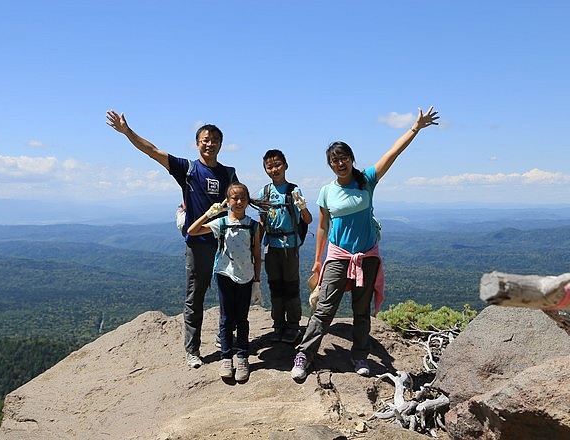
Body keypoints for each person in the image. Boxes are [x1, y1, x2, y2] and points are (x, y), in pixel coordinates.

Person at [290, 106, 439, 381]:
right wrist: (317, 259)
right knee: (325, 309)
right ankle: (304, 354)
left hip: (367, 255)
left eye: (344, 157)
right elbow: (322, 225)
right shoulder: (327, 191)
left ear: (351, 159)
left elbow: (392, 153)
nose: (340, 163)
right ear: (330, 164)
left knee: (361, 310)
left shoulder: (366, 180)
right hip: (338, 254)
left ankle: (360, 355)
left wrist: (415, 127)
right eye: (334, 160)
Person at [106, 110, 237, 369]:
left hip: (223, 242)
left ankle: (225, 339)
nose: (209, 144)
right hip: (198, 244)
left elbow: (238, 202)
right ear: (197, 143)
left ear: (221, 144)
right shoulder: (188, 169)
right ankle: (193, 350)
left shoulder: (229, 173)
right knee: (195, 297)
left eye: (214, 140)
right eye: (205, 139)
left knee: (228, 293)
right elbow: (153, 151)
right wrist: (127, 132)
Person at [187, 182, 262, 382]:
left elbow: (256, 254)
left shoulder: (254, 226)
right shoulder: (221, 223)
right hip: (225, 275)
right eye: (234, 198)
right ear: (227, 201)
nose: (238, 202)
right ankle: (226, 357)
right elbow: (192, 231)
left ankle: (242, 356)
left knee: (242, 319)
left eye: (242, 198)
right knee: (226, 318)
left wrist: (257, 281)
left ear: (248, 201)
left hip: (246, 276)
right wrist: (210, 213)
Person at [258, 149, 312, 343]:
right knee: (275, 286)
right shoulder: (264, 192)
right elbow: (263, 223)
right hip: (271, 247)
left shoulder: (294, 191)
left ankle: (293, 325)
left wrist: (302, 206)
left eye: (278, 165)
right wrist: (255, 246)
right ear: (265, 170)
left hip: (290, 246)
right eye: (270, 167)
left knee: (290, 286)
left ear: (286, 165)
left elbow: (308, 219)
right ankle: (278, 324)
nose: (274, 169)